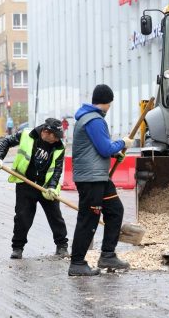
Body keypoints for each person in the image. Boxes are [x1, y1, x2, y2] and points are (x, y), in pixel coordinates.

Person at [68, 84, 134, 276]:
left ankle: (108, 255)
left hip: (99, 177)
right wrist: (122, 143)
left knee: (115, 210)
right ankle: (77, 263)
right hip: (91, 179)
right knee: (89, 218)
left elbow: (97, 149)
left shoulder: (89, 118)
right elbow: (104, 148)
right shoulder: (94, 120)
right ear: (108, 102)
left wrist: (115, 154)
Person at [0, 118, 69, 260]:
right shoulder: (27, 134)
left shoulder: (58, 146)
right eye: (55, 136)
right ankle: (17, 248)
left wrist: (52, 187)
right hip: (25, 183)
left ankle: (62, 246)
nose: (57, 140)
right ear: (46, 132)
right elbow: (7, 142)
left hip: (45, 187)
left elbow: (57, 169)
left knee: (55, 216)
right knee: (22, 217)